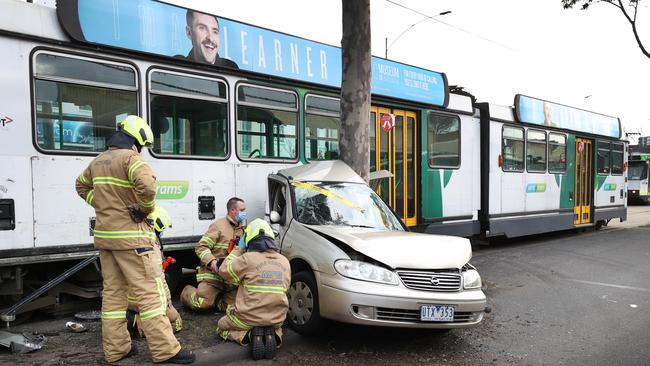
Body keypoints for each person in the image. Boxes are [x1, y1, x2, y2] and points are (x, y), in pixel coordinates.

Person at [75, 115, 194, 364]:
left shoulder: (98, 161)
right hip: (134, 241)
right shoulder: (131, 158)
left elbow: (81, 186)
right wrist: (143, 209)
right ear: (137, 140)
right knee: (150, 296)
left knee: (113, 297)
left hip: (106, 241)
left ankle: (117, 350)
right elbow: (148, 187)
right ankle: (166, 351)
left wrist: (101, 204)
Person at [216, 218, 290, 360]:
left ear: (248, 239)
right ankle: (274, 334)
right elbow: (284, 288)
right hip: (277, 318)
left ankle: (247, 335)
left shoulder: (247, 259)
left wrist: (238, 248)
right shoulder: (284, 261)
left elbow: (224, 270)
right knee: (275, 325)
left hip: (248, 318)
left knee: (221, 326)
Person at [180, 197, 246, 312]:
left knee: (234, 308)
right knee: (202, 304)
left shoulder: (242, 230)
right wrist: (212, 262)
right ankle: (186, 292)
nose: (244, 213)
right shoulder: (218, 226)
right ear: (232, 210)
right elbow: (201, 247)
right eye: (242, 210)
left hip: (230, 278)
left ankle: (216, 301)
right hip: (213, 275)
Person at [127, 206, 183, 336]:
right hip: (146, 298)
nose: (161, 234)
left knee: (173, 321)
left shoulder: (134, 238)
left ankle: (135, 320)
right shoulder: (150, 245)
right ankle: (135, 322)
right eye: (161, 230)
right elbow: (158, 279)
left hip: (135, 296)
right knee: (175, 323)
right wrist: (166, 304)